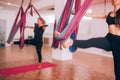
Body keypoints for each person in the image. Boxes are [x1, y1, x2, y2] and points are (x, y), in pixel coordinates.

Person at [55, 0, 120, 79]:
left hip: (118, 42)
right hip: (109, 39)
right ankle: (71, 42)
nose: (114, 0)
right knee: (92, 41)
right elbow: (91, 15)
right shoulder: (109, 14)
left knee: (118, 70)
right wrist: (78, 13)